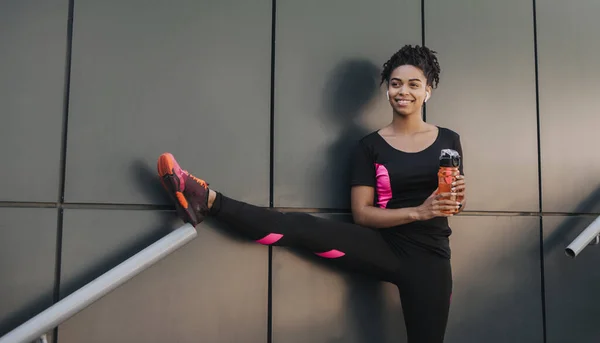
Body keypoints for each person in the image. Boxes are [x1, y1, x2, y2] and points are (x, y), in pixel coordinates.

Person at [156, 44, 466, 343]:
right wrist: (417, 212)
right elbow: (362, 214)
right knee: (303, 227)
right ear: (387, 89)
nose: (403, 92)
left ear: (428, 91)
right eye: (396, 83)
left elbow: (450, 203)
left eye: (414, 84)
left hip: (431, 260)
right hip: (384, 245)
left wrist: (456, 201)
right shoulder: (370, 146)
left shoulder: (448, 140)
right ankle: (206, 199)